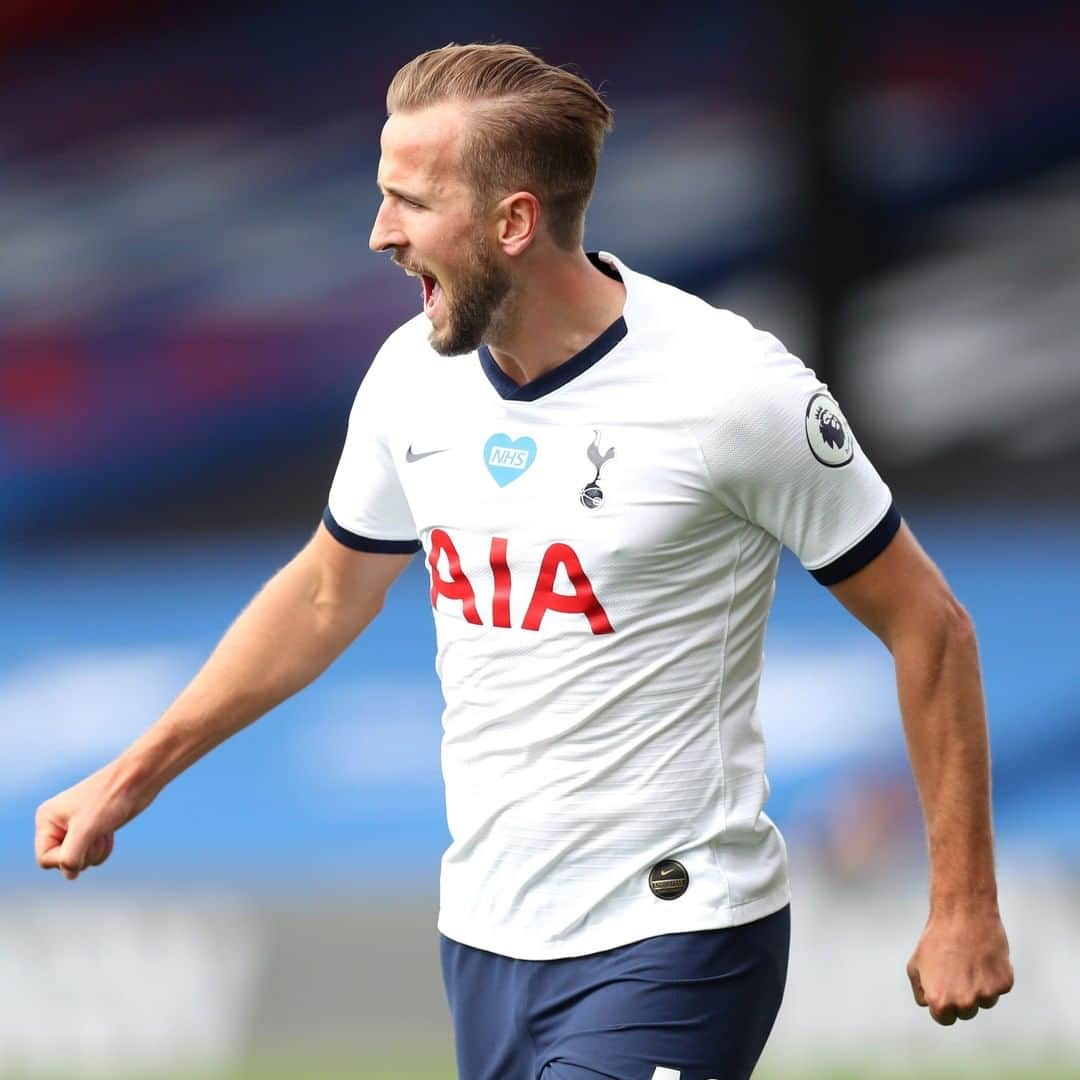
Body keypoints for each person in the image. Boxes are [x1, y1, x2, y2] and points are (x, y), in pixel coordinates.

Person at [35, 43, 1013, 1080]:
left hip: (675, 936)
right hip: (488, 938)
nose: (379, 234)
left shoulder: (734, 393)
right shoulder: (412, 378)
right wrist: (132, 776)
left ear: (513, 222)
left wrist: (963, 904)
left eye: (409, 202)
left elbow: (929, 623)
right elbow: (327, 591)